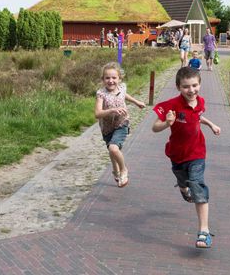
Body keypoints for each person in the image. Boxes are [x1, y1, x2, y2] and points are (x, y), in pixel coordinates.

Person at [152, 67, 221, 248]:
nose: (191, 90)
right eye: (186, 87)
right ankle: (183, 188)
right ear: (178, 87)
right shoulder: (171, 105)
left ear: (200, 84)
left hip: (197, 152)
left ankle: (204, 231)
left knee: (197, 185)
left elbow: (197, 117)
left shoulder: (201, 101)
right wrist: (167, 123)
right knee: (183, 181)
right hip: (177, 154)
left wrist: (211, 124)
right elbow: (155, 127)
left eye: (194, 85)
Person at [95, 62, 146, 188]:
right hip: (107, 127)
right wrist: (111, 110)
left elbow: (124, 95)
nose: (111, 81)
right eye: (107, 78)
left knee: (113, 148)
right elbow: (97, 113)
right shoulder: (101, 94)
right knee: (112, 150)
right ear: (103, 79)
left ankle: (123, 170)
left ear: (119, 79)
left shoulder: (122, 87)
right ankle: (115, 170)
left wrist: (136, 102)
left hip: (122, 123)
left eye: (114, 78)